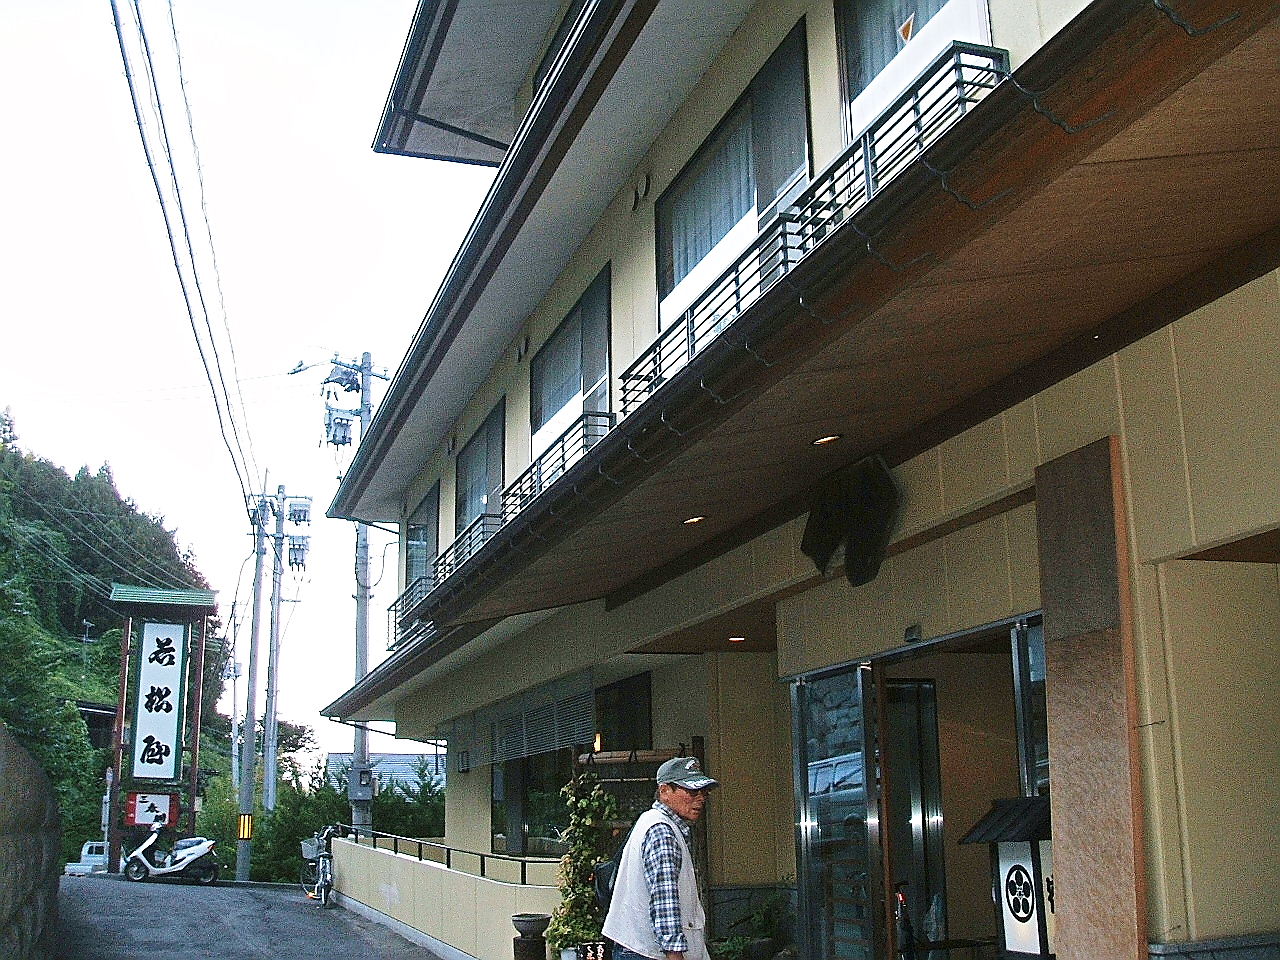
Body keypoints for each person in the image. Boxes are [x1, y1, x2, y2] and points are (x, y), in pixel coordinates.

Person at [603, 756, 719, 960]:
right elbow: (664, 901)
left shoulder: (651, 820)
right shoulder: (662, 832)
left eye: (704, 792)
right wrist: (674, 954)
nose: (700, 798)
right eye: (692, 791)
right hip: (649, 953)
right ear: (664, 791)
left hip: (637, 947)